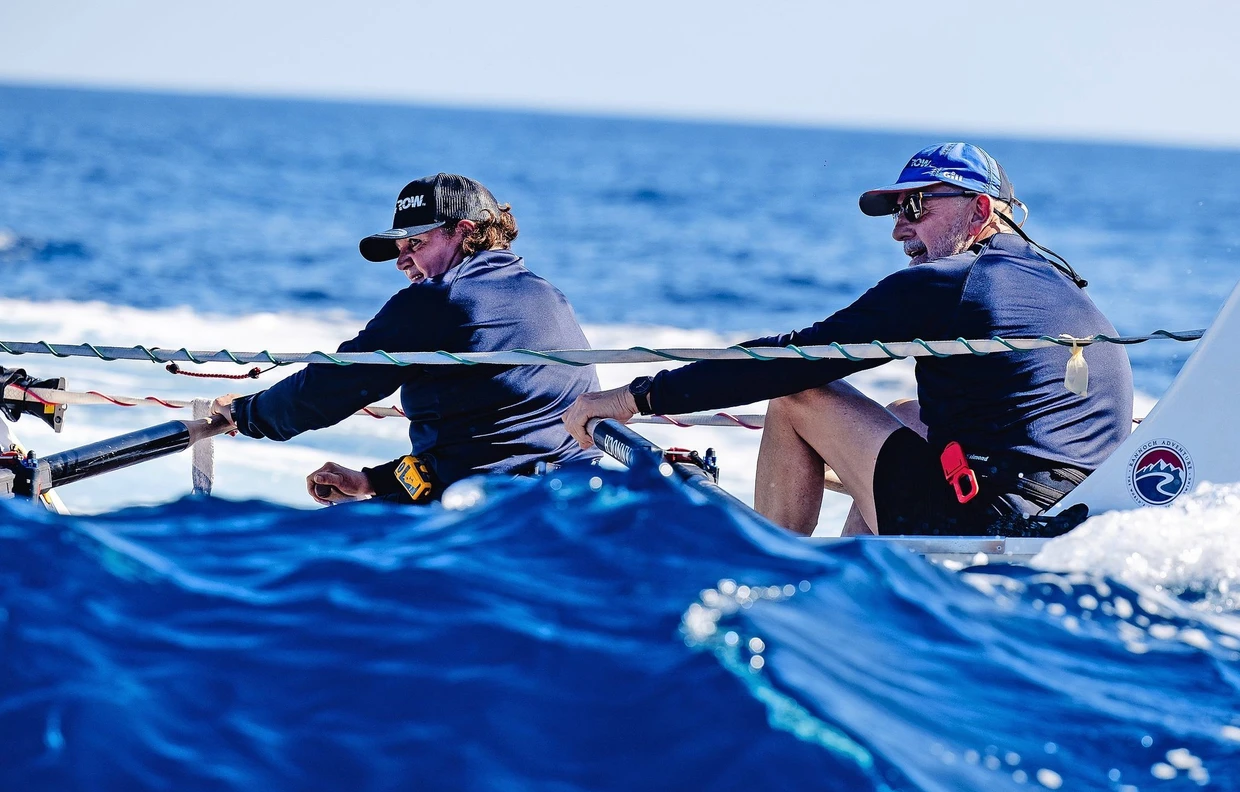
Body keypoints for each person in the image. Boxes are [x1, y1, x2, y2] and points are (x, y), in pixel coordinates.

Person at [563, 143, 1134, 537]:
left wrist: (636, 397)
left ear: (980, 210)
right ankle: (857, 552)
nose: (898, 227)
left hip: (986, 520)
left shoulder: (953, 283)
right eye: (895, 212)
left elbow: (789, 359)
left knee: (799, 393)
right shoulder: (1061, 287)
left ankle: (770, 563)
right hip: (1066, 514)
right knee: (907, 413)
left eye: (916, 206)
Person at [214, 173, 601, 505]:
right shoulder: (548, 294)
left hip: (485, 515)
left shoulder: (441, 298)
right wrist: (373, 482)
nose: (401, 262)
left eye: (415, 244)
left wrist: (246, 414)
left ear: (463, 232)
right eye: (400, 250)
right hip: (564, 496)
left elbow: (335, 384)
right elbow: (498, 436)